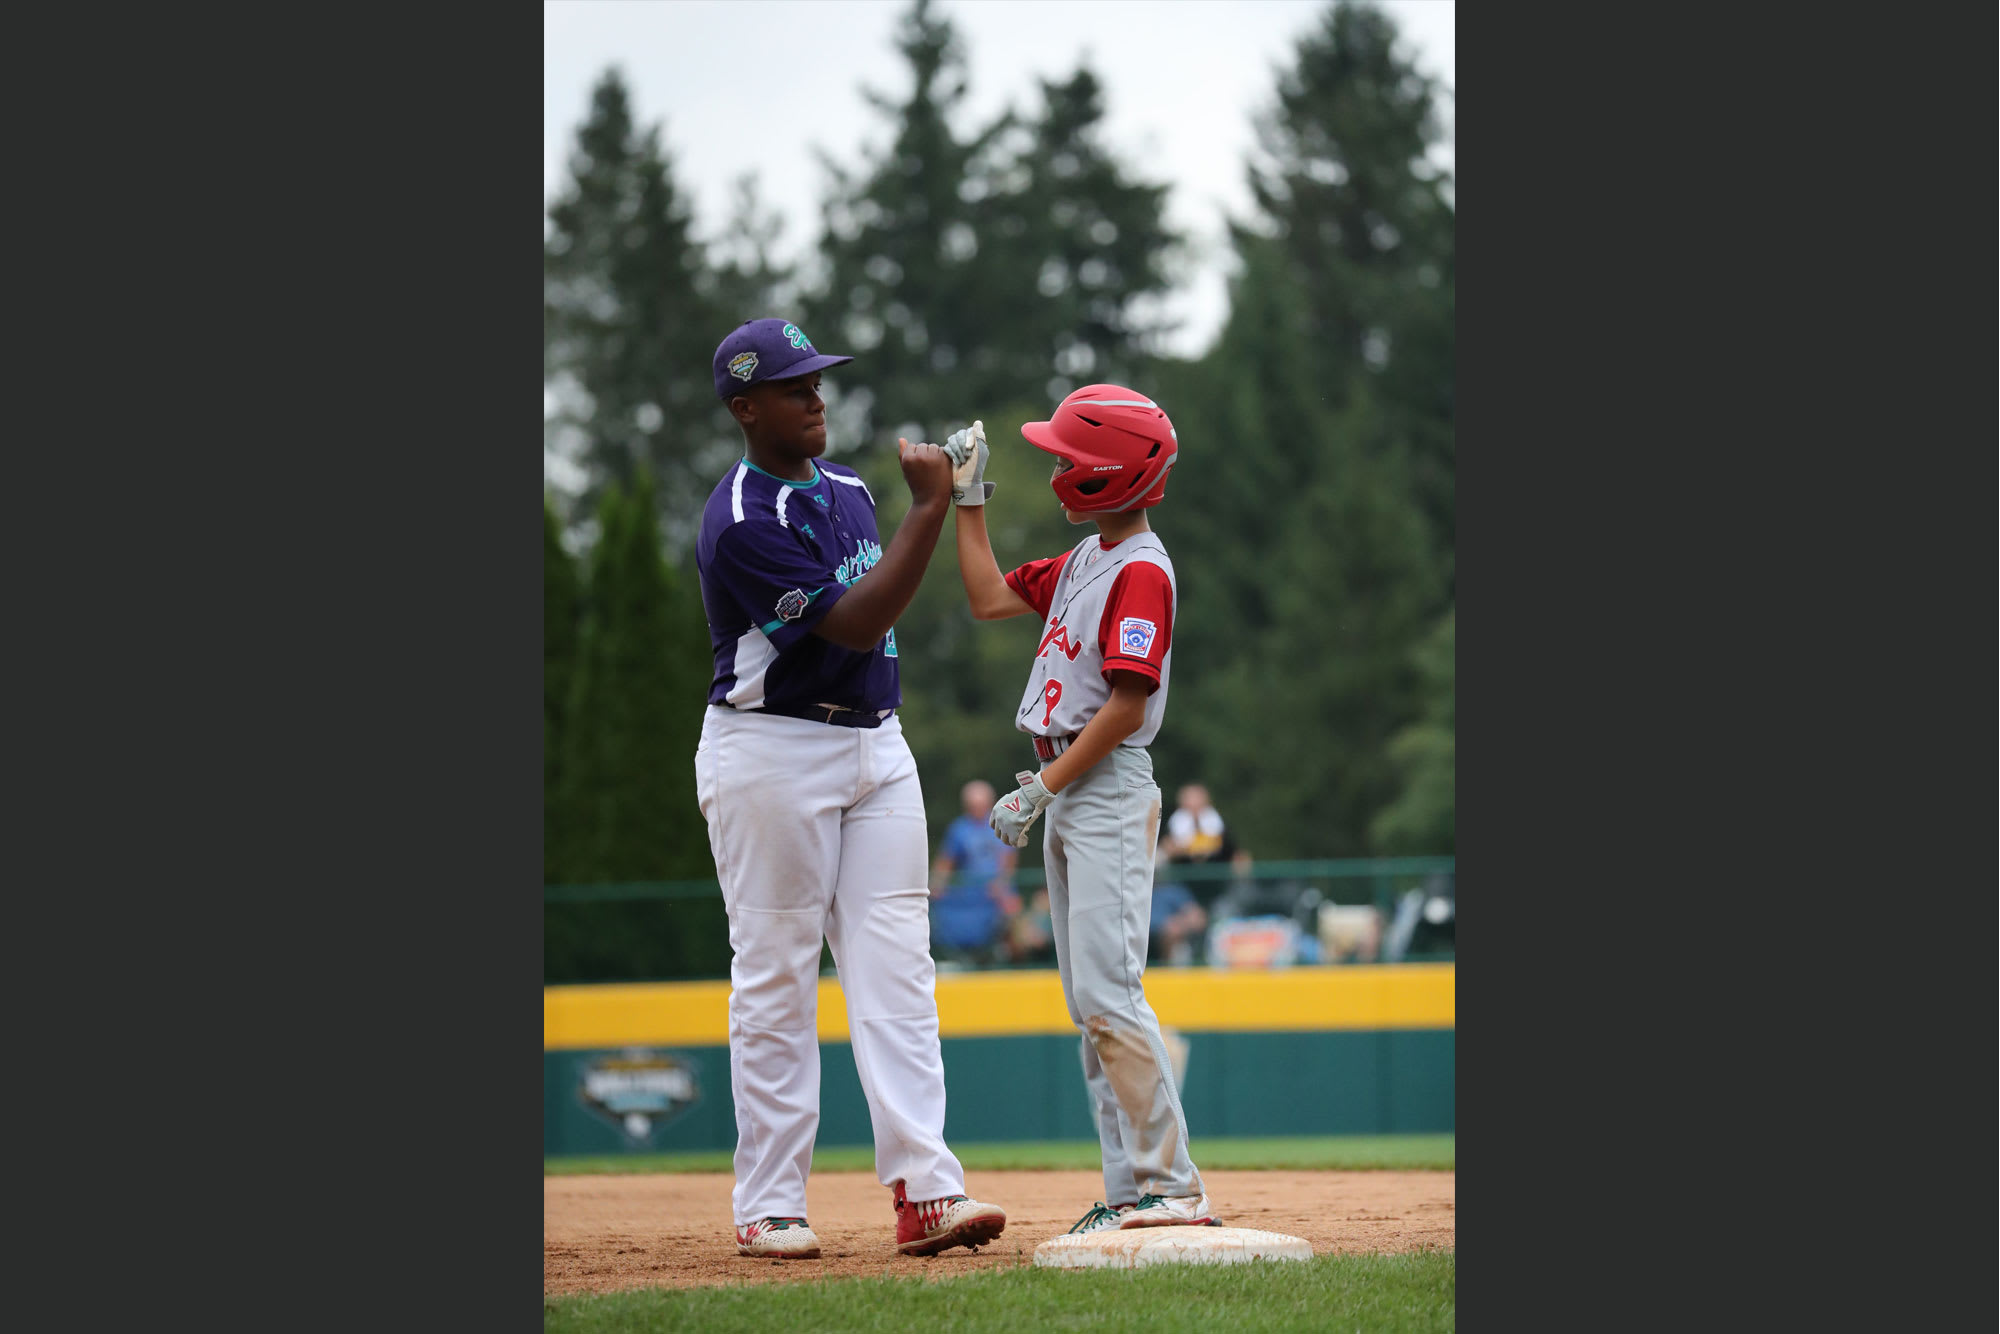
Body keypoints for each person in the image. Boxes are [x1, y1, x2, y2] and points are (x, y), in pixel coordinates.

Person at [692, 317, 1006, 1261]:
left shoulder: (849, 491)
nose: (816, 399)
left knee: (900, 972)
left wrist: (922, 509)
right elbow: (854, 626)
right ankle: (769, 1201)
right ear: (746, 408)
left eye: (818, 382)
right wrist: (929, 510)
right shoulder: (742, 518)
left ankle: (927, 1191)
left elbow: (879, 625)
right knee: (778, 973)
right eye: (795, 388)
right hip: (771, 753)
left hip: (879, 746)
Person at [941, 386, 1217, 1236]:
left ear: (1110, 473)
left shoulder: (1140, 567)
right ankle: (1129, 1191)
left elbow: (1128, 705)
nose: (1058, 468)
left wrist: (1045, 789)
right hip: (1066, 791)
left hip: (1101, 786)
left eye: (1068, 457)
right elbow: (988, 596)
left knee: (1109, 994)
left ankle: (1173, 1187)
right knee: (1088, 1007)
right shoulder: (1088, 560)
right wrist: (967, 498)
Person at [929, 780, 1021, 965]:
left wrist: (1002, 888)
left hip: (995, 895)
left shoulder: (1001, 824)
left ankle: (1014, 961)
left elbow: (1008, 861)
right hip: (970, 896)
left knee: (1015, 918)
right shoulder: (959, 829)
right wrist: (936, 886)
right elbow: (946, 863)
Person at [1160, 783, 1233, 866]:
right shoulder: (1175, 821)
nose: (1193, 802)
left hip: (1215, 867)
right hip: (1183, 869)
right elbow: (1167, 847)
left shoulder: (1217, 820)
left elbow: (1226, 847)